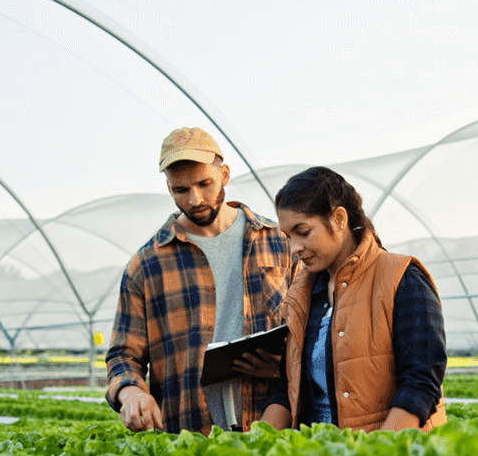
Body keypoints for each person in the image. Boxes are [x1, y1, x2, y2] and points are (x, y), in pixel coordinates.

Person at [106, 127, 295, 434]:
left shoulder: (280, 243)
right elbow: (123, 355)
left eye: (205, 183)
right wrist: (132, 393)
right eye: (180, 190)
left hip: (273, 422)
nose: (195, 199)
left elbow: (316, 332)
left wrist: (286, 368)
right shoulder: (147, 265)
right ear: (169, 189)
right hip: (189, 434)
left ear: (225, 174)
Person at [259, 166, 447, 432]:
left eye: (303, 232)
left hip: (389, 454)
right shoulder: (302, 294)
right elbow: (288, 389)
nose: (295, 248)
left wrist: (375, 453)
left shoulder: (402, 276)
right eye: (288, 237)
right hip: (322, 454)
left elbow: (421, 381)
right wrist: (255, 443)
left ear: (338, 218)